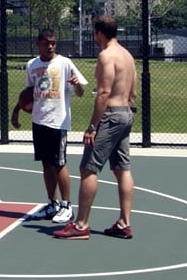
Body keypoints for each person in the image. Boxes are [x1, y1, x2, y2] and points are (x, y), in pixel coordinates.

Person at [54, 15, 137, 240]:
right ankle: (124, 223)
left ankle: (81, 225)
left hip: (111, 116)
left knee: (88, 168)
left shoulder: (106, 56)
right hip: (126, 113)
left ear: (98, 32)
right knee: (122, 168)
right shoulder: (127, 55)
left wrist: (92, 126)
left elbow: (103, 93)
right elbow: (133, 89)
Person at [12, 28, 87, 224]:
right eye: (47, 43)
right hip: (39, 120)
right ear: (38, 44)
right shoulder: (32, 65)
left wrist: (77, 84)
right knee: (46, 163)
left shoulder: (64, 63)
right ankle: (52, 203)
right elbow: (28, 93)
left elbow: (80, 93)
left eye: (53, 42)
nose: (51, 46)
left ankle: (66, 205)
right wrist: (16, 110)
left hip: (58, 121)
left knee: (59, 163)